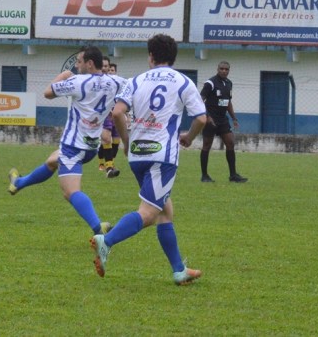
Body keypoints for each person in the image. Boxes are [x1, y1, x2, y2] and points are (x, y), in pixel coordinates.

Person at [90, 34, 207, 286]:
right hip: (162, 156)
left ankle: (179, 270)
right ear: (173, 57)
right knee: (149, 212)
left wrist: (126, 141)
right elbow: (201, 118)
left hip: (137, 155)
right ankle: (106, 241)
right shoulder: (183, 81)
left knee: (165, 211)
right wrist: (188, 138)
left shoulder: (135, 81)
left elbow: (117, 113)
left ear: (150, 56)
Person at [7, 46, 122, 236]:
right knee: (52, 161)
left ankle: (98, 228)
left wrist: (63, 75)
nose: (76, 65)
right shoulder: (115, 81)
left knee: (71, 192)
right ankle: (18, 183)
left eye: (79, 61)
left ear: (90, 63)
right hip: (91, 147)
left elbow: (47, 93)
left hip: (73, 147)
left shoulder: (77, 81)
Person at [199, 61, 247, 183]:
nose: (224, 71)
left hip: (223, 120)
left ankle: (233, 175)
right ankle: (204, 175)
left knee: (230, 143)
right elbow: (199, 100)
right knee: (206, 146)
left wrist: (234, 118)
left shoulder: (229, 83)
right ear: (217, 69)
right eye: (222, 68)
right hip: (210, 120)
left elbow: (227, 102)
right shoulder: (210, 83)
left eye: (226, 69)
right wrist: (207, 116)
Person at [97, 58, 126, 178]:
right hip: (101, 115)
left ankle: (110, 166)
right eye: (102, 66)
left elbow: (129, 86)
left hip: (113, 114)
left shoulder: (116, 81)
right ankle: (105, 166)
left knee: (115, 141)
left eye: (106, 66)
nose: (105, 68)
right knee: (106, 138)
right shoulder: (94, 81)